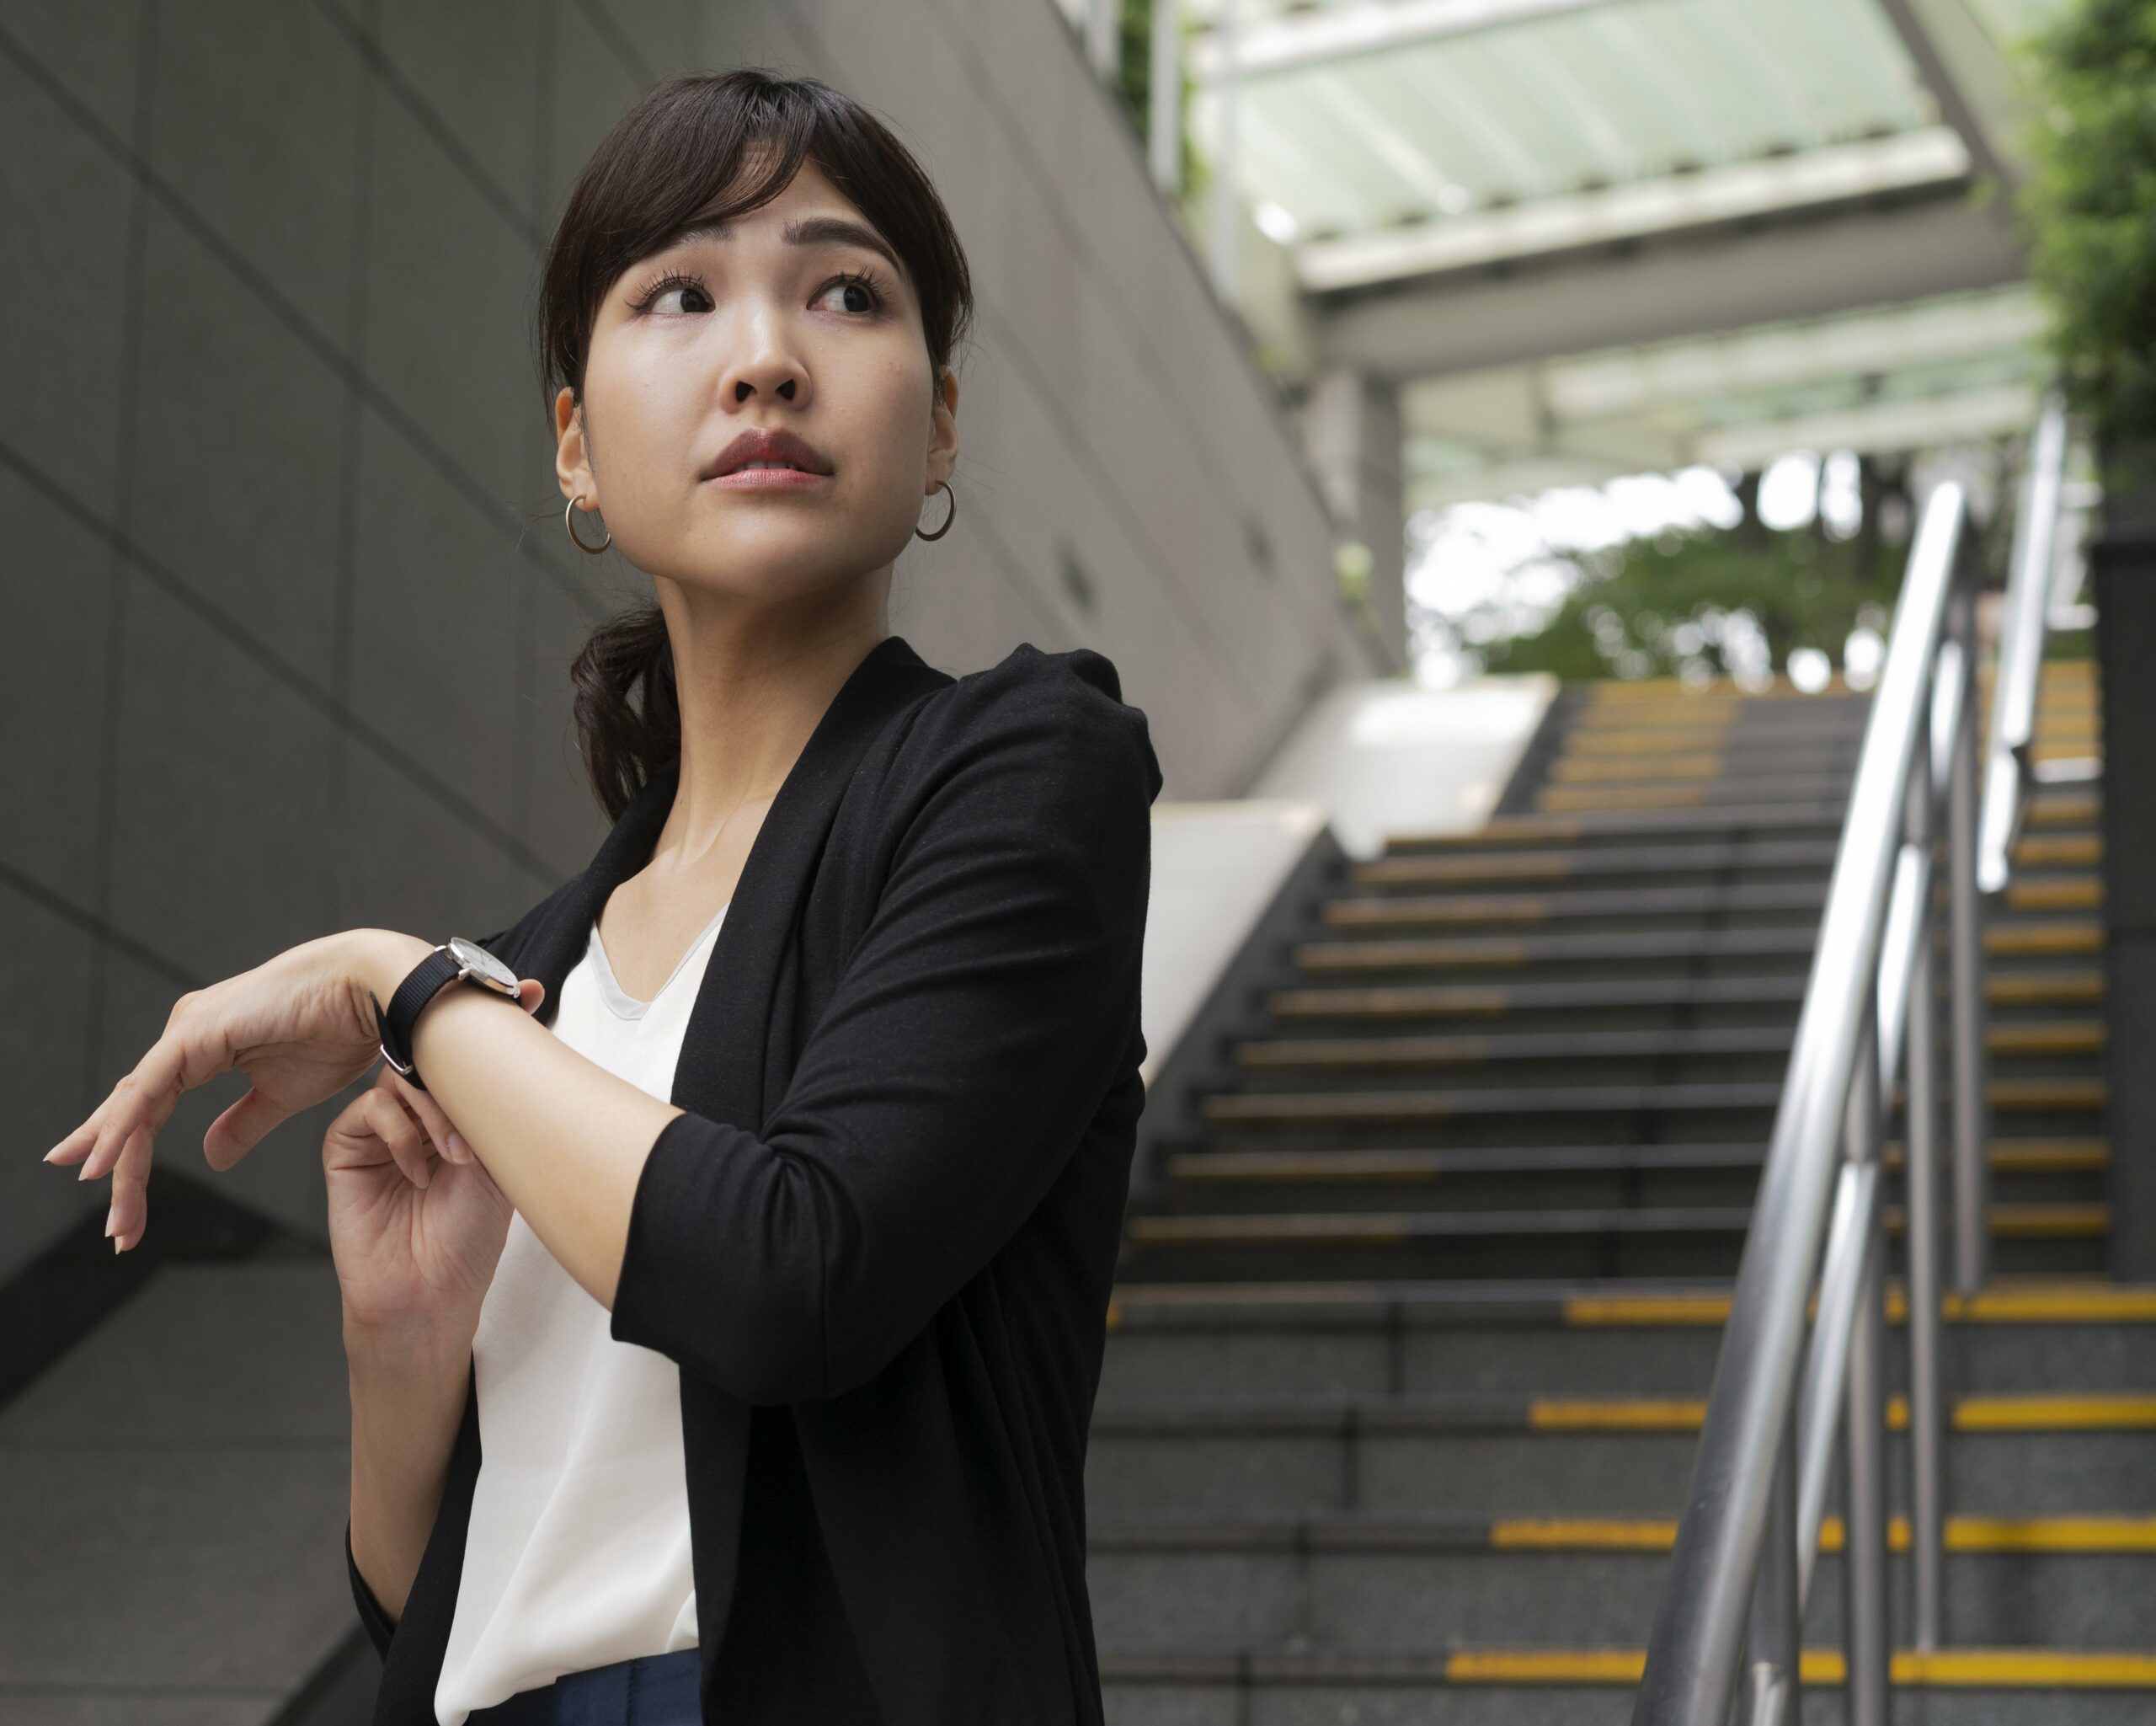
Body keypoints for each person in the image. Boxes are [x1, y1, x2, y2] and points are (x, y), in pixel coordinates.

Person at [42, 67, 1161, 1726]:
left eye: (844, 291)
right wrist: (406, 1348)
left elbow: (796, 1272)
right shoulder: (541, 968)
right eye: (679, 294)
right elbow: (440, 1599)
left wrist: (389, 977)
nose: (764, 354)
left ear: (935, 421)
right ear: (575, 440)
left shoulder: (1016, 771)